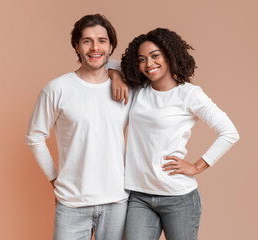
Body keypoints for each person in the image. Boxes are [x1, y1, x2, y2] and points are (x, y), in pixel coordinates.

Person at [120, 28, 240, 240]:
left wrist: (196, 166)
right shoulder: (138, 91)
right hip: (138, 195)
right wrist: (113, 74)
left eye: (155, 56)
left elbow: (229, 132)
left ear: (169, 55)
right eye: (141, 59)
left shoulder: (189, 94)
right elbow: (106, 66)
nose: (149, 64)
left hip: (178, 197)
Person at [26, 14, 129, 240]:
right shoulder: (57, 89)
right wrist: (55, 179)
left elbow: (142, 69)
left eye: (102, 40)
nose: (95, 47)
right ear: (76, 46)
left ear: (111, 46)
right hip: (72, 204)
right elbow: (35, 137)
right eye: (87, 41)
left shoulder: (125, 86)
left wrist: (116, 73)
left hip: (117, 202)